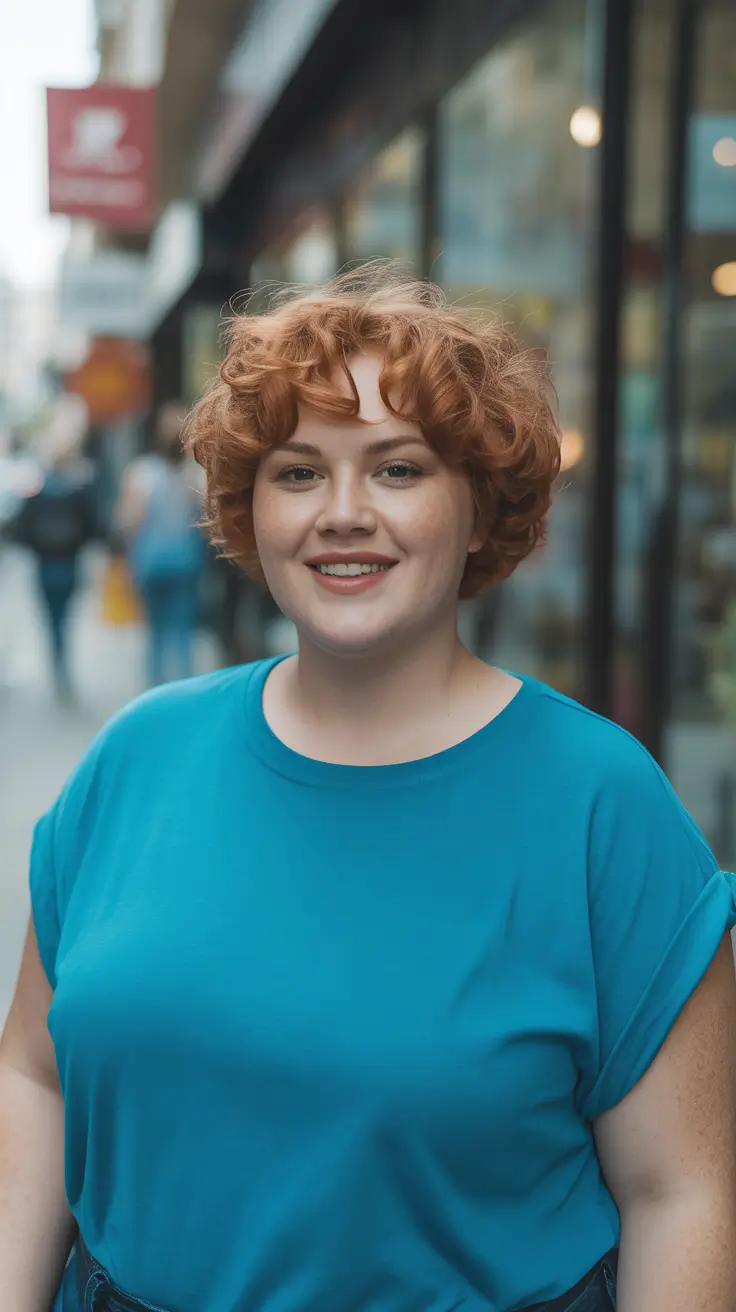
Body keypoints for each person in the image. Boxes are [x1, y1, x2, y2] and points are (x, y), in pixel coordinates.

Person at [1, 269, 735, 1312]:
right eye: (298, 473)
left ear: (478, 509)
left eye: (397, 469)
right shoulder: (136, 757)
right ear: (249, 509)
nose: (343, 515)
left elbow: (683, 1191)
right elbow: (31, 1071)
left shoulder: (600, 805)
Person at [116, 400, 205, 686]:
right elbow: (209, 521)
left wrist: (129, 563)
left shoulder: (141, 472)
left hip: (151, 562)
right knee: (182, 632)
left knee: (154, 632)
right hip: (185, 563)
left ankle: (156, 693)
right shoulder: (196, 475)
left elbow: (129, 522)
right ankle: (185, 692)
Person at [14, 397, 97, 702]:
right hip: (69, 562)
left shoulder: (38, 490)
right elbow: (93, 526)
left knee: (51, 618)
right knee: (64, 616)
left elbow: (22, 528)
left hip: (45, 563)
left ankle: (57, 661)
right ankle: (63, 663)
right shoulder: (78, 489)